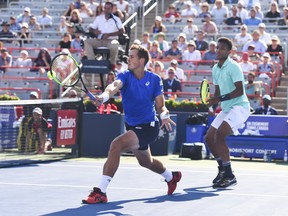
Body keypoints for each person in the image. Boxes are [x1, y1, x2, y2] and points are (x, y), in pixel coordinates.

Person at [82, 44, 181, 204]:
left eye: (132, 56)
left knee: (116, 145)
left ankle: (101, 192)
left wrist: (164, 115)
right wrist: (103, 97)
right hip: (133, 126)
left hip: (149, 127)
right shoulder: (125, 76)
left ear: (142, 60)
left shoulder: (154, 79)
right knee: (145, 162)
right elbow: (113, 86)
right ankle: (171, 176)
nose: (129, 59)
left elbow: (160, 104)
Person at [205, 37, 250, 188]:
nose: (218, 50)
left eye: (222, 48)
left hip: (240, 107)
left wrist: (218, 98)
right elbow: (217, 92)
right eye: (217, 47)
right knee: (209, 137)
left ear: (229, 52)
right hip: (226, 108)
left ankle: (230, 175)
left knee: (220, 135)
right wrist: (212, 106)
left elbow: (239, 91)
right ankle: (222, 170)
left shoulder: (234, 67)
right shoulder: (215, 68)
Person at [84, 1, 124, 66]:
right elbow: (91, 28)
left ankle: (112, 64)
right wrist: (94, 31)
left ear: (111, 9)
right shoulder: (99, 18)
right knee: (87, 42)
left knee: (115, 45)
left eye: (108, 8)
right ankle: (92, 62)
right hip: (99, 40)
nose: (106, 10)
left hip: (111, 40)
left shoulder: (116, 19)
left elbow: (122, 31)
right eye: (105, 8)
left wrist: (109, 35)